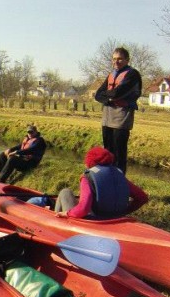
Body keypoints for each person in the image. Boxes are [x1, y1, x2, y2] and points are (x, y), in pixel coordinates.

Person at [54, 146, 148, 219]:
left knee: (65, 192)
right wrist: (125, 211)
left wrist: (67, 213)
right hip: (117, 218)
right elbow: (142, 197)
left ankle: (55, 219)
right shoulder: (119, 174)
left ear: (90, 162)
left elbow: (84, 208)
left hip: (95, 221)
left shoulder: (88, 177)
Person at [94, 47, 142, 175]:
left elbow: (118, 93)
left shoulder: (132, 75)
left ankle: (119, 178)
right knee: (108, 150)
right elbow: (97, 95)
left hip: (121, 117)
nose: (116, 61)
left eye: (120, 59)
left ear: (127, 60)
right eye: (114, 59)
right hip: (107, 117)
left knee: (119, 151)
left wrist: (107, 96)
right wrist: (109, 98)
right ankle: (108, 176)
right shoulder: (111, 74)